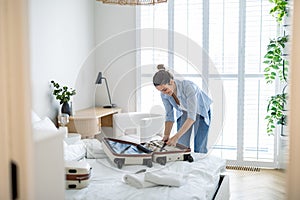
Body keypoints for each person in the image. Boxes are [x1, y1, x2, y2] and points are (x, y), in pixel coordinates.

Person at [153, 64, 212, 153]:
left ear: (171, 82)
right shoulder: (164, 94)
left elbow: (192, 117)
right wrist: (166, 135)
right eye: (160, 91)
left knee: (199, 147)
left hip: (201, 112)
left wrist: (175, 137)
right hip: (184, 112)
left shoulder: (188, 87)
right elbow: (169, 116)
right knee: (181, 146)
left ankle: (199, 165)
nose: (163, 93)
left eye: (165, 89)